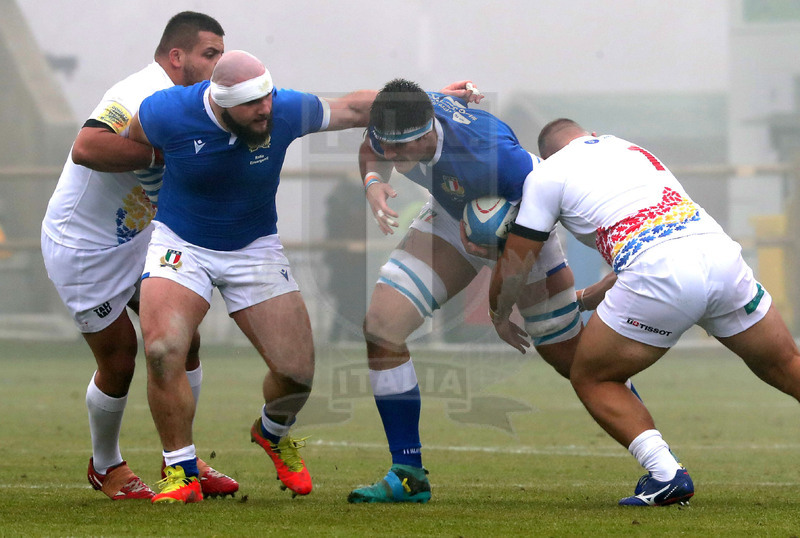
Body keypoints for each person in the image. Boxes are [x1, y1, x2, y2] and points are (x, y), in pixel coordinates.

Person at [128, 52, 475, 504]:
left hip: (255, 247)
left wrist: (429, 102)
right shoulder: (167, 110)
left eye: (268, 97)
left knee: (296, 376)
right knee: (161, 348)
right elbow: (134, 138)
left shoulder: (285, 108)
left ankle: (273, 432)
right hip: (182, 243)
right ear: (222, 105)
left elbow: (353, 108)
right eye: (253, 105)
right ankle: (180, 470)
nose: (266, 109)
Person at [489, 118, 800, 506]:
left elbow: (520, 256)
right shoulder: (630, 148)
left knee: (590, 376)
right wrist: (587, 298)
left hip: (660, 273)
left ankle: (666, 474)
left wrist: (499, 311)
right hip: (720, 256)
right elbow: (652, 222)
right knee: (786, 362)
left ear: (548, 153)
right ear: (589, 135)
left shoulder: (547, 173)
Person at [348, 79, 599, 504]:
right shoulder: (398, 115)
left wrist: (500, 309)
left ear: (428, 133)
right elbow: (373, 148)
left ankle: (659, 463)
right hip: (451, 218)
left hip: (524, 227)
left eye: (399, 149)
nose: (390, 156)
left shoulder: (493, 156)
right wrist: (373, 180)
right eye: (386, 146)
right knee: (381, 327)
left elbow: (536, 222)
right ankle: (408, 474)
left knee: (579, 364)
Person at [40, 11, 238, 501]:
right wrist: (160, 157)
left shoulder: (198, 104)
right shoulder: (138, 92)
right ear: (177, 56)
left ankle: (184, 462)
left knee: (183, 340)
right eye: (209, 54)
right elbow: (87, 146)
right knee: (122, 358)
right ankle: (105, 466)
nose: (218, 65)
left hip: (136, 239)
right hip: (83, 249)